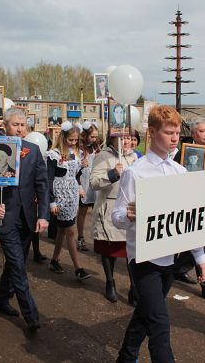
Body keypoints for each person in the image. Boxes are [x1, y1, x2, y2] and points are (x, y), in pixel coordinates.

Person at [112, 105, 205, 362]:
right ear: (152, 133)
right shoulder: (136, 172)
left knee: (146, 313)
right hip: (143, 259)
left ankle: (126, 356)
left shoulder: (180, 172)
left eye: (177, 132)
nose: (175, 137)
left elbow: (188, 219)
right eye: (169, 132)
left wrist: (200, 257)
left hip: (170, 257)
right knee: (159, 321)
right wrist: (130, 216)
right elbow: (117, 217)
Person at [0, 108, 48, 332]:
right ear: (4, 126)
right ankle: (32, 316)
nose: (19, 129)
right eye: (15, 124)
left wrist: (43, 215)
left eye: (22, 125)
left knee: (16, 265)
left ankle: (1, 299)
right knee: (17, 265)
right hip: (4, 218)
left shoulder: (33, 151)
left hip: (27, 219)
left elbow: (42, 186)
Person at [172, 117, 205, 303]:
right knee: (201, 242)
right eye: (202, 131)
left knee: (195, 242)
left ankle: (179, 268)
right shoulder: (184, 153)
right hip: (191, 205)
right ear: (194, 134)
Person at [90, 134, 138, 303]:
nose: (126, 141)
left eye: (129, 138)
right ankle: (110, 283)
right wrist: (112, 174)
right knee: (109, 250)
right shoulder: (102, 156)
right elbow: (93, 183)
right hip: (109, 208)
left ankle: (134, 288)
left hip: (130, 210)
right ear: (112, 139)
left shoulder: (134, 157)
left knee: (132, 252)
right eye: (121, 138)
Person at [47, 122, 91, 280]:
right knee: (70, 230)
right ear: (63, 137)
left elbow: (75, 174)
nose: (73, 143)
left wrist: (80, 185)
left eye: (75, 140)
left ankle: (54, 260)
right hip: (60, 195)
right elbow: (49, 179)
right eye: (71, 140)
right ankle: (78, 268)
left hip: (72, 193)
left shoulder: (75, 152)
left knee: (62, 229)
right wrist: (51, 202)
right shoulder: (54, 154)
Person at [76, 122, 100, 252]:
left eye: (96, 137)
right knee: (83, 212)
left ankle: (98, 239)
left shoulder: (97, 148)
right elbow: (74, 168)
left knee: (97, 212)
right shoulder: (79, 149)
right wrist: (81, 164)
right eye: (92, 136)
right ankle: (80, 238)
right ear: (85, 135)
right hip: (84, 183)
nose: (94, 139)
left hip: (94, 183)